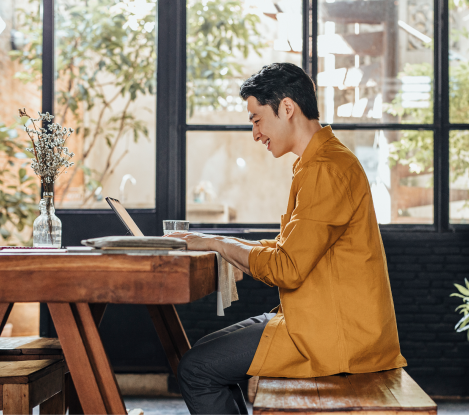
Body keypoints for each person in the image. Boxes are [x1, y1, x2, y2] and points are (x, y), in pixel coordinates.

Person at [167, 63, 407, 415]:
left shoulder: (326, 168)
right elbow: (287, 249)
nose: (255, 133)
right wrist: (216, 240)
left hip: (336, 339)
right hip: (315, 322)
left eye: (256, 119)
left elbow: (287, 268)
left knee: (196, 369)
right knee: (204, 351)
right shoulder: (317, 163)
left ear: (287, 108)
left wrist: (218, 244)